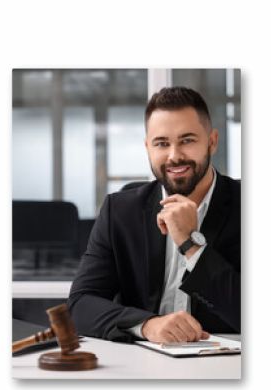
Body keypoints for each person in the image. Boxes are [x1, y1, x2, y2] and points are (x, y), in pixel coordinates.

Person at [68, 87, 240, 344]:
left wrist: (191, 244)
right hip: (144, 360)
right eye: (161, 143)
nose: (174, 155)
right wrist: (147, 325)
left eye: (187, 140)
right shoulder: (120, 211)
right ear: (147, 147)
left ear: (212, 142)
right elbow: (80, 305)